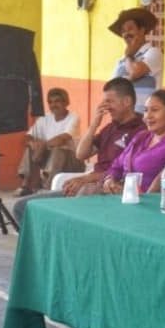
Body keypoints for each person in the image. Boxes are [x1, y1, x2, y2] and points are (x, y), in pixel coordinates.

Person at [12, 78, 145, 223]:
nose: (106, 107)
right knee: (22, 207)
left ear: (126, 102)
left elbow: (127, 172)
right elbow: (81, 154)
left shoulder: (141, 131)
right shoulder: (110, 128)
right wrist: (94, 123)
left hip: (106, 189)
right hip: (86, 185)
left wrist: (87, 179)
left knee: (52, 215)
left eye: (110, 102)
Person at [102, 90, 165, 195]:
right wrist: (109, 180)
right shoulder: (142, 136)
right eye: (145, 110)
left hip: (151, 203)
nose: (148, 116)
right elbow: (117, 165)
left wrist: (144, 196)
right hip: (123, 197)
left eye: (154, 110)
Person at [16, 87, 84, 196]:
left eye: (57, 101)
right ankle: (27, 185)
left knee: (58, 150)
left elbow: (62, 139)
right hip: (50, 160)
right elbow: (28, 136)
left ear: (66, 102)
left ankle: (47, 188)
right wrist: (33, 144)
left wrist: (42, 146)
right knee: (30, 149)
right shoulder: (45, 118)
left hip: (72, 161)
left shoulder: (73, 117)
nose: (53, 105)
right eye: (50, 102)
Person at [108, 7, 163, 113]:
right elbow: (112, 89)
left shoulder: (153, 53)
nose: (126, 34)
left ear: (142, 30)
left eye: (130, 29)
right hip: (124, 120)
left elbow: (134, 72)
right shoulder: (120, 61)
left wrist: (128, 55)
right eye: (123, 31)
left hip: (146, 119)